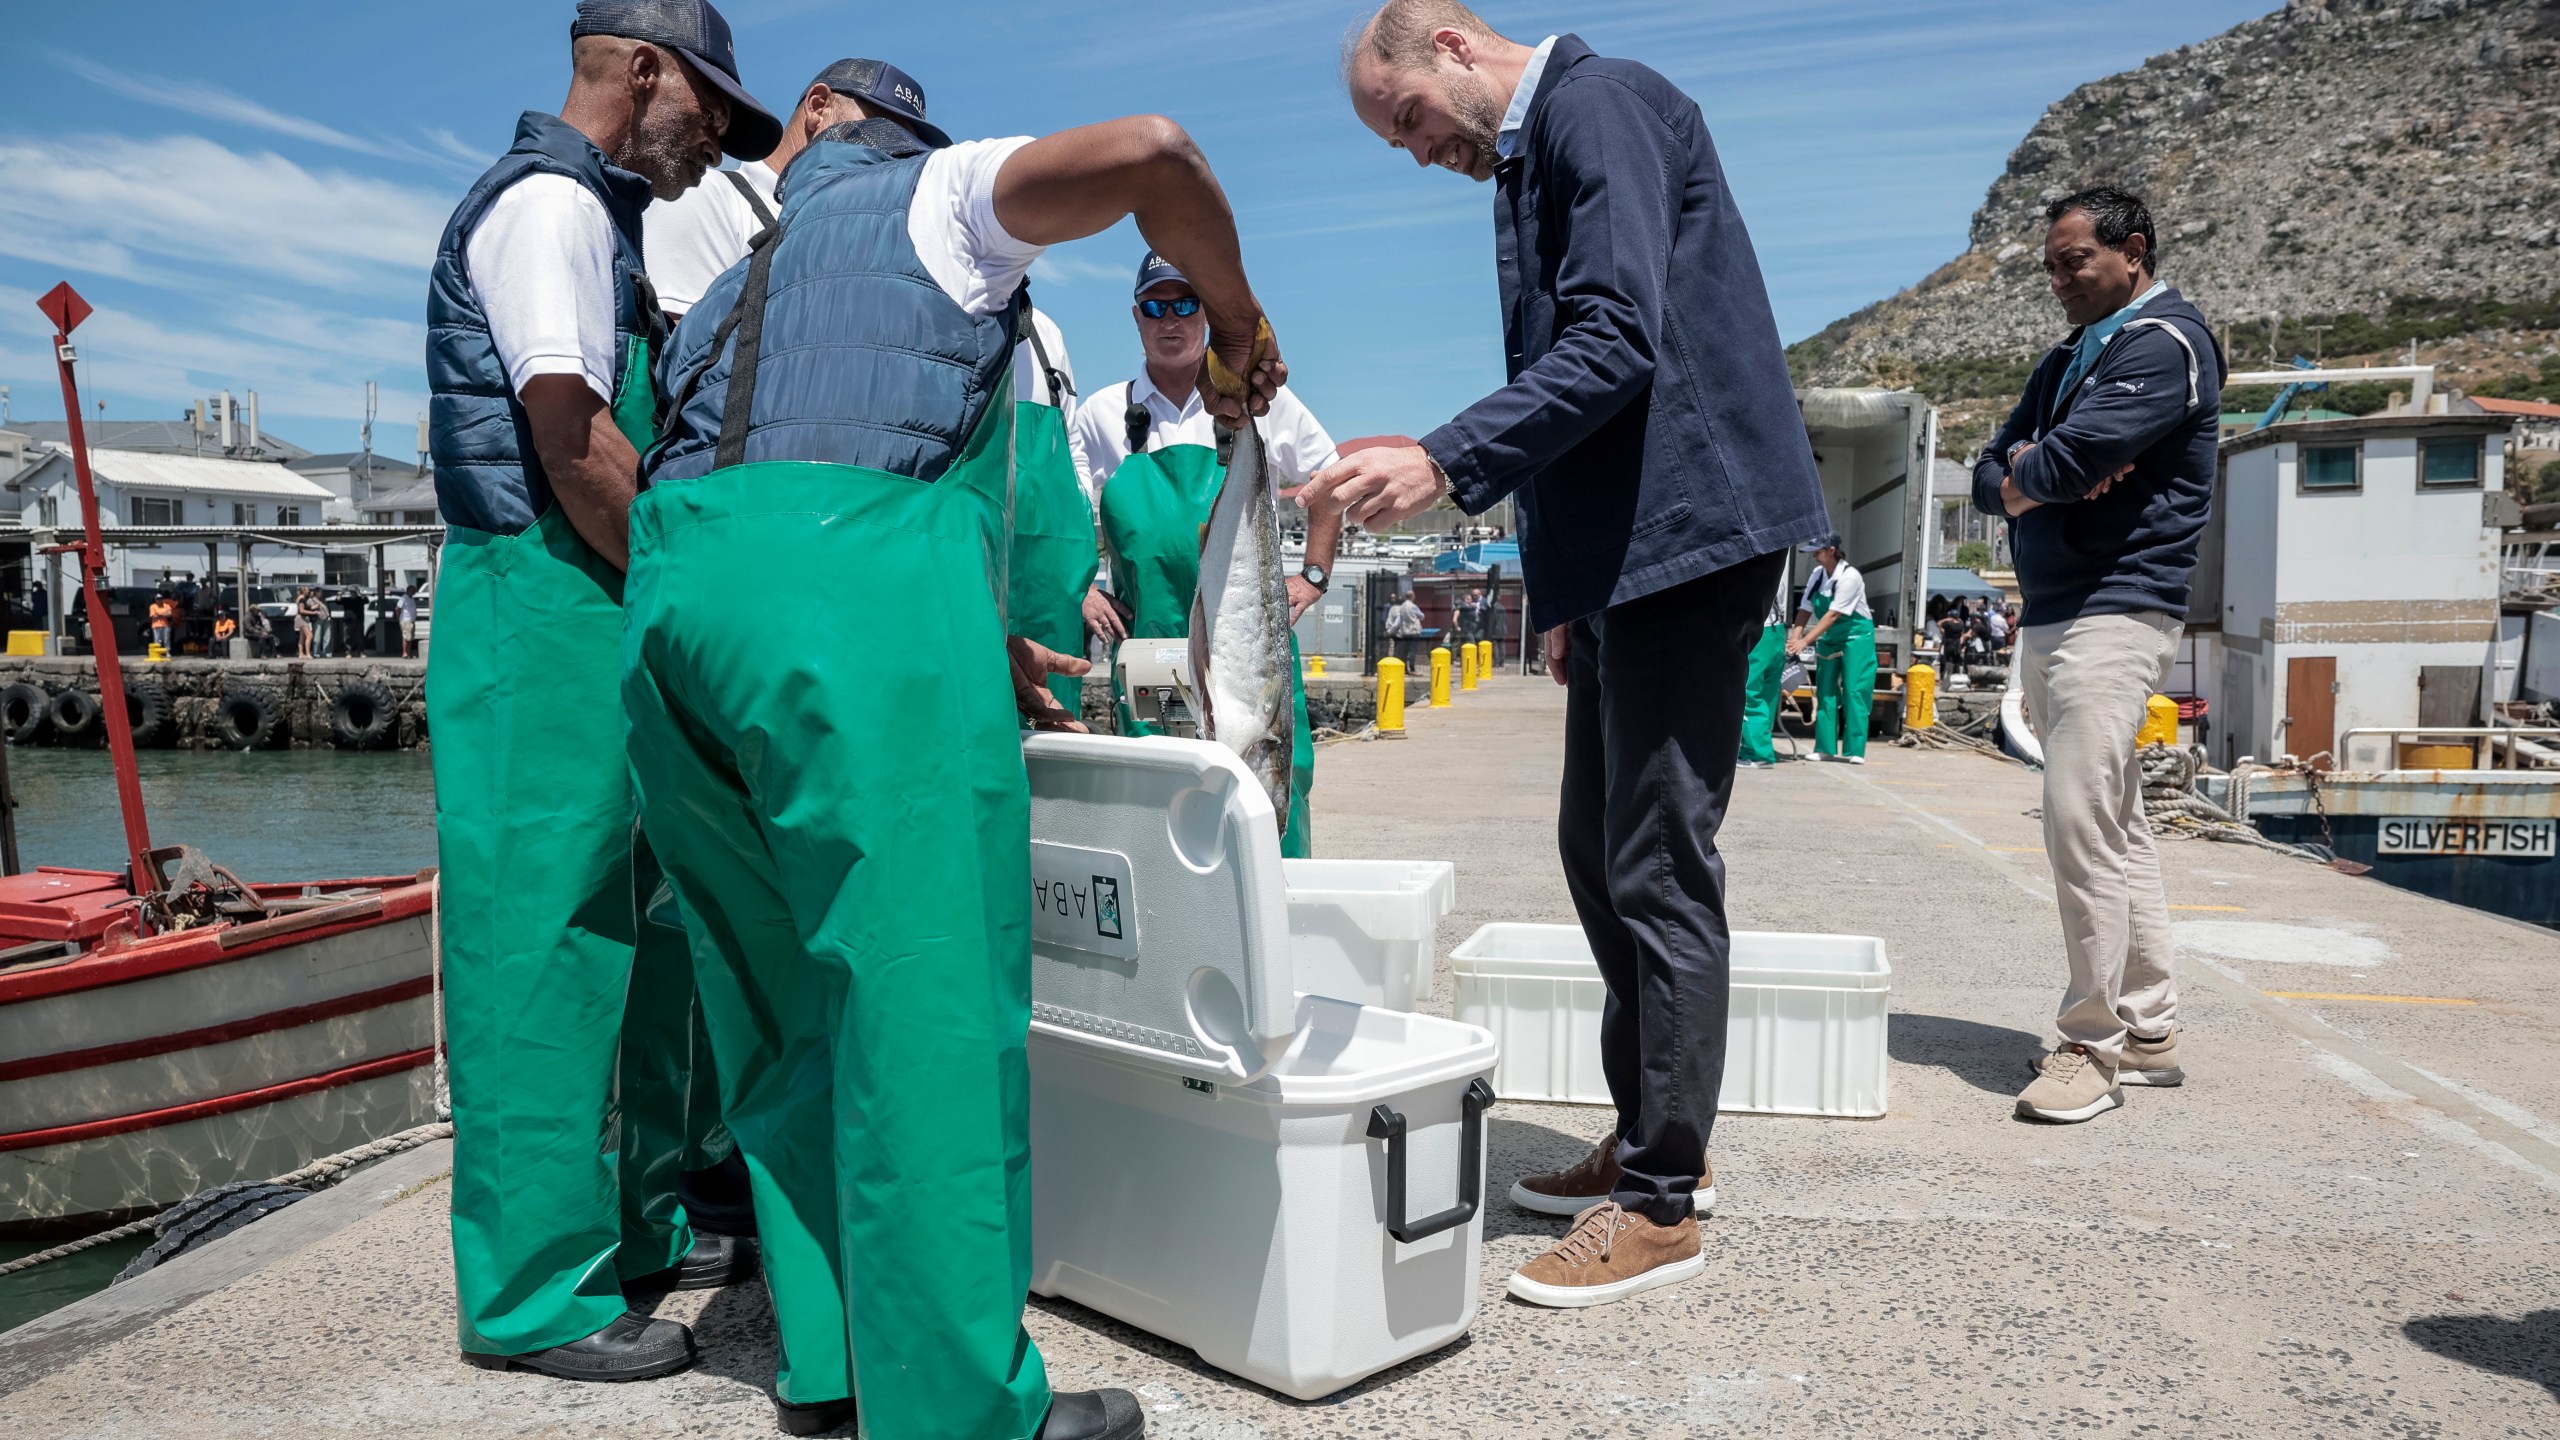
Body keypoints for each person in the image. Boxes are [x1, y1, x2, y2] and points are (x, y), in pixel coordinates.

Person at [630, 98, 1289, 1440]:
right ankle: (956, 1412)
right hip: (855, 600)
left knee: (779, 1009)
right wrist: (1233, 324)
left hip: (675, 618)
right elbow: (1161, 151)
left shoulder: (724, 284)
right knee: (924, 1010)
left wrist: (975, 637)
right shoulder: (934, 198)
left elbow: (770, 484)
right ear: (887, 137)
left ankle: (833, 1365)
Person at [1306, 5, 1828, 1308]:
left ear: (1451, 42)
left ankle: (1664, 1201)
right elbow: (1577, 377)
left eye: (1411, 120)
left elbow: (1617, 341)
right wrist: (1561, 585)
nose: (1419, 154)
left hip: (1691, 533)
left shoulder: (1598, 108)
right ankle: (1653, 1140)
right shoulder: (1539, 153)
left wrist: (1446, 460)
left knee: (1655, 862)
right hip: (1625, 559)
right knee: (1596, 853)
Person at [426, 0, 778, 1385]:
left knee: (624, 932)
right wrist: (690, 597)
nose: (719, 144)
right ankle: (529, 1297)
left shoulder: (595, 219)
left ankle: (625, 1239)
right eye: (713, 110)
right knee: (541, 940)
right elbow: (572, 444)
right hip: (539, 604)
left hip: (575, 605)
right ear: (642, 72)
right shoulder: (551, 211)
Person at [650, 59, 1089, 718]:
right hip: (756, 564)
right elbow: (689, 403)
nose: (895, 155)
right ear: (818, 107)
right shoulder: (710, 201)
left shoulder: (1029, 326)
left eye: (908, 144)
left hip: (888, 574)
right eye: (879, 129)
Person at [1973, 185, 2221, 1124]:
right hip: (2056, 608)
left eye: (2075, 262)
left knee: (2076, 819)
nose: (2060, 280)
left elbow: (2065, 465)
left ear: (2135, 253)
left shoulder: (2166, 344)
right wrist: (2033, 472)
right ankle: (2149, 1028)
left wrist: (2046, 470)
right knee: (2115, 823)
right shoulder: (2071, 356)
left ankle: (2093, 1044)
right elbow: (1992, 470)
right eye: (2052, 265)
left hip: (2117, 610)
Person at [1067, 251, 1340, 855]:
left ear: (1207, 316)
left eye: (1187, 304)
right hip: (1150, 655)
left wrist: (1315, 576)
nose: (1172, 319)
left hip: (1251, 644)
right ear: (1136, 318)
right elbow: (1062, 511)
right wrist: (1080, 586)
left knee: (1267, 807)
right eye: (1156, 306)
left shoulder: (1259, 404)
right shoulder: (1100, 417)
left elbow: (1331, 481)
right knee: (1161, 817)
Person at [1788, 534, 1875, 764]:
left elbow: (1833, 614)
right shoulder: (1817, 575)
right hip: (1829, 637)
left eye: (1818, 551)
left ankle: (1855, 750)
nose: (1814, 555)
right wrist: (1794, 637)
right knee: (1825, 690)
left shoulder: (1849, 577)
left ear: (1832, 550)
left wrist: (1805, 642)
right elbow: (1805, 608)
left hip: (1856, 637)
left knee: (1854, 690)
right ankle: (1824, 747)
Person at [1736, 580, 1789, 769]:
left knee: (1750, 694)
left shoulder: (1751, 574)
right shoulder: (1778, 577)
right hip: (1777, 633)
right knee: (1768, 697)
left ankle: (1755, 753)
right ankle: (1763, 750)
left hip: (1762, 635)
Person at [1384, 588, 1425, 671]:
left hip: (1405, 632)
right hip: (1414, 631)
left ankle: (1405, 668)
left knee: (1405, 651)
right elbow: (1422, 616)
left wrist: (1389, 631)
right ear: (1412, 597)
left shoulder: (1402, 607)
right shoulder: (1413, 606)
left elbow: (1397, 622)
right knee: (1413, 650)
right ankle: (1412, 668)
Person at [294, 587, 321, 659]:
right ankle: (308, 653)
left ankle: (301, 654)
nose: (309, 591)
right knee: (309, 636)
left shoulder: (301, 599)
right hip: (301, 618)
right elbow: (302, 610)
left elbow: (307, 608)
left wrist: (314, 607)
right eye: (307, 590)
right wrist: (313, 612)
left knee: (302, 637)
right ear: (303, 591)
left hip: (300, 618)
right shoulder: (302, 599)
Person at [398, 583, 421, 658]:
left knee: (410, 637)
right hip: (405, 620)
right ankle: (404, 653)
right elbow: (398, 608)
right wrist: (398, 617)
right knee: (406, 637)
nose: (414, 592)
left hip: (411, 620)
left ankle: (409, 653)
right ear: (409, 590)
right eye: (413, 590)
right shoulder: (403, 598)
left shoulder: (412, 599)